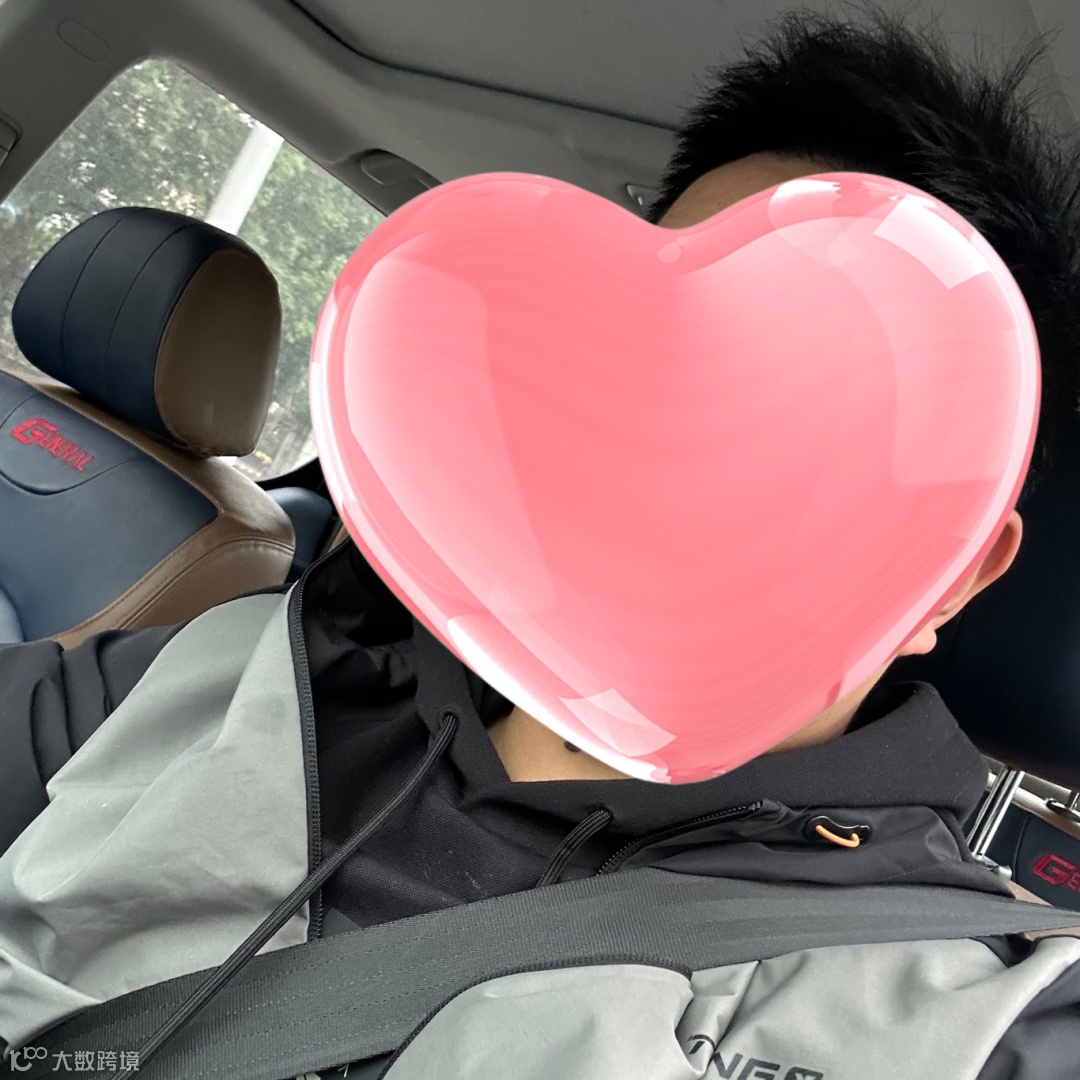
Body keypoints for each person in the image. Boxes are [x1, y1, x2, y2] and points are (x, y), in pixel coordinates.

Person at [1, 9, 1079, 1079]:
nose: (683, 446)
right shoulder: (238, 668)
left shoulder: (978, 1019)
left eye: (814, 412)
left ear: (953, 573)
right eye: (650, 358)